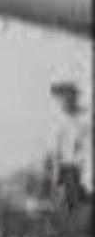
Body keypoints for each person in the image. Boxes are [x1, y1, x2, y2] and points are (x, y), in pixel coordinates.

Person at [48, 82, 91, 216]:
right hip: (68, 170)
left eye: (70, 96)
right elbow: (56, 152)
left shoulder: (85, 119)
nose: (66, 100)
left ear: (75, 98)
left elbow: (87, 147)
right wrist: (56, 179)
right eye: (63, 98)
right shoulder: (58, 121)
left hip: (83, 168)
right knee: (70, 210)